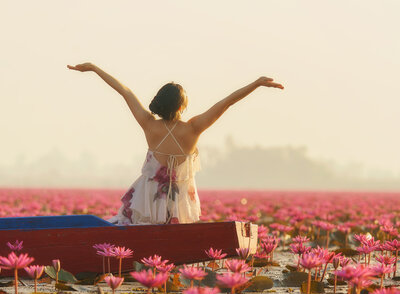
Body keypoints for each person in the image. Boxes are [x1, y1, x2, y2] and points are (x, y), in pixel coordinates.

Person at [67, 62, 283, 225]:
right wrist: (256, 84)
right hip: (178, 204)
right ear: (181, 106)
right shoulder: (193, 128)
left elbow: (125, 91)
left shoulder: (148, 124)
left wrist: (95, 69)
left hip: (147, 198)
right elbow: (226, 102)